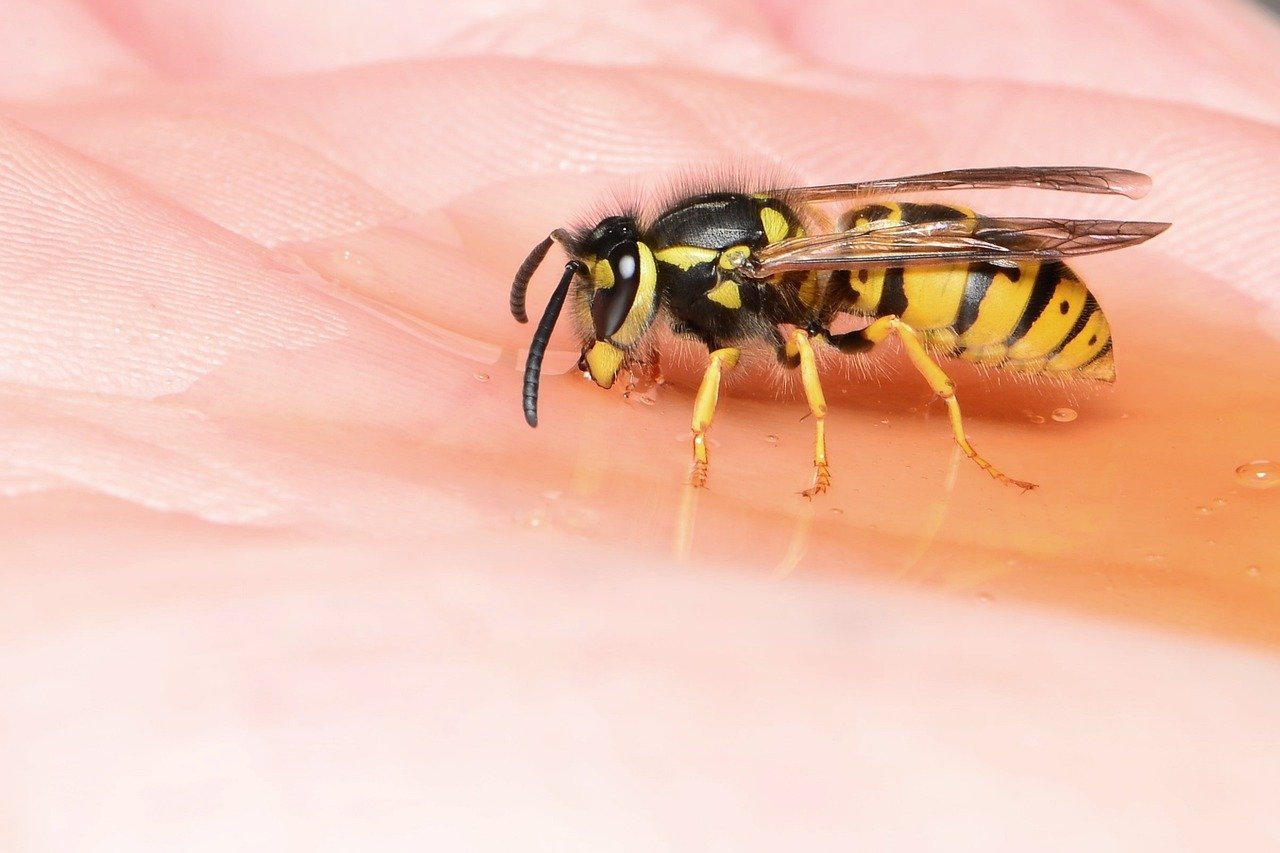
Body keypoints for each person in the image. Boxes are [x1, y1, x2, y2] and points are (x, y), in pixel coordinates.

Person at [3, 1, 1279, 848]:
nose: (609, 317)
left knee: (881, 321)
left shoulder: (748, 286)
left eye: (610, 300)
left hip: (995, 300)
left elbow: (770, 348)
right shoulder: (726, 259)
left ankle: (956, 437)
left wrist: (729, 453)